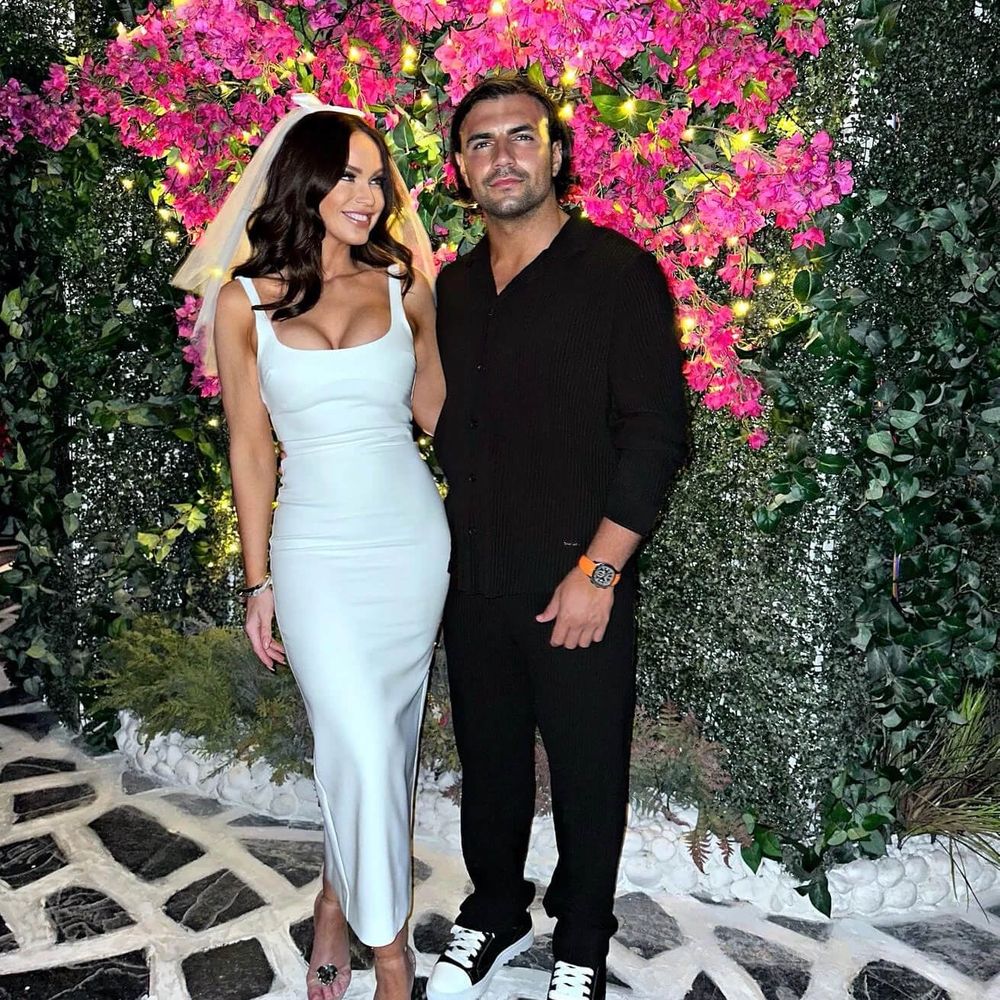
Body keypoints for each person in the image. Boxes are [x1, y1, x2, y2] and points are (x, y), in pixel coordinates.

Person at [173, 97, 450, 1000]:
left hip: (410, 542)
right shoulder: (242, 301)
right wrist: (257, 581)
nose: (369, 194)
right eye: (349, 176)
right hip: (315, 552)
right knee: (359, 741)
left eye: (377, 178)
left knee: (381, 743)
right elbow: (250, 448)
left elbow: (442, 415)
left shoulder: (406, 286)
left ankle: (337, 899)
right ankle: (390, 954)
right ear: (306, 181)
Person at [426, 75, 688, 1000]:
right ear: (461, 170)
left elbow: (656, 435)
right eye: (481, 142)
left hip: (580, 576)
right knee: (490, 766)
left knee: (586, 772)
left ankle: (581, 939)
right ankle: (496, 908)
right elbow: (445, 419)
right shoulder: (453, 288)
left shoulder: (618, 273)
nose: (502, 155)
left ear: (557, 152)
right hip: (474, 577)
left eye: (521, 136)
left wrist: (600, 571)